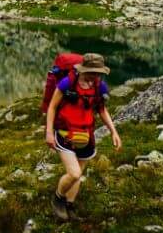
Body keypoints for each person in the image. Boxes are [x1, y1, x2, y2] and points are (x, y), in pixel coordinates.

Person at [44, 52, 121, 220]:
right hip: (65, 133)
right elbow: (52, 107)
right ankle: (58, 198)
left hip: (86, 135)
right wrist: (49, 132)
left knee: (79, 172)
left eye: (99, 73)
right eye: (93, 72)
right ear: (84, 69)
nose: (96, 76)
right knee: (74, 173)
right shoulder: (67, 83)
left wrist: (114, 132)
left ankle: (69, 207)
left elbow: (101, 110)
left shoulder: (99, 86)